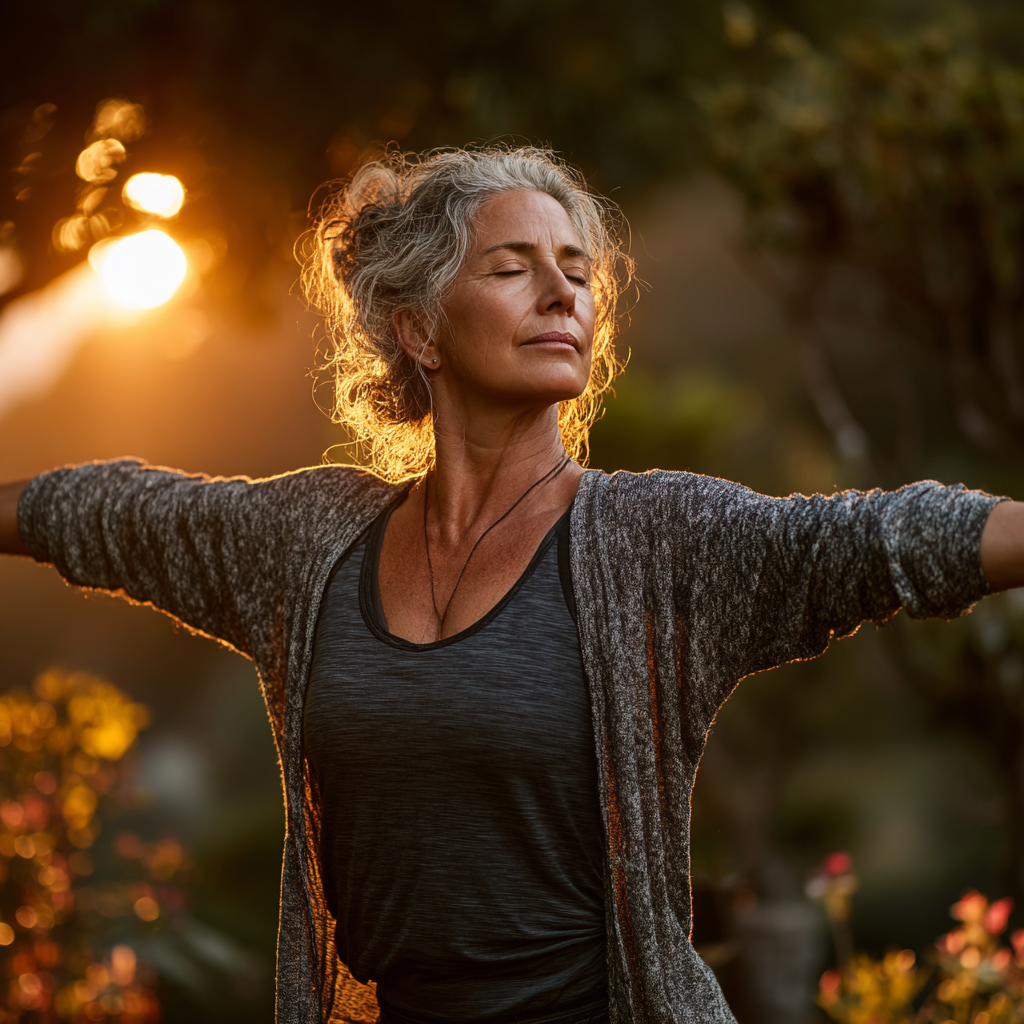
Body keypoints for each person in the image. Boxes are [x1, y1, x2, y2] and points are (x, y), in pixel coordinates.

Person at [1, 146, 1023, 1024]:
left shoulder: (655, 540)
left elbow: (875, 539)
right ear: (419, 329)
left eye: (576, 272)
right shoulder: (306, 541)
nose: (562, 294)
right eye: (513, 267)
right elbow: (110, 511)